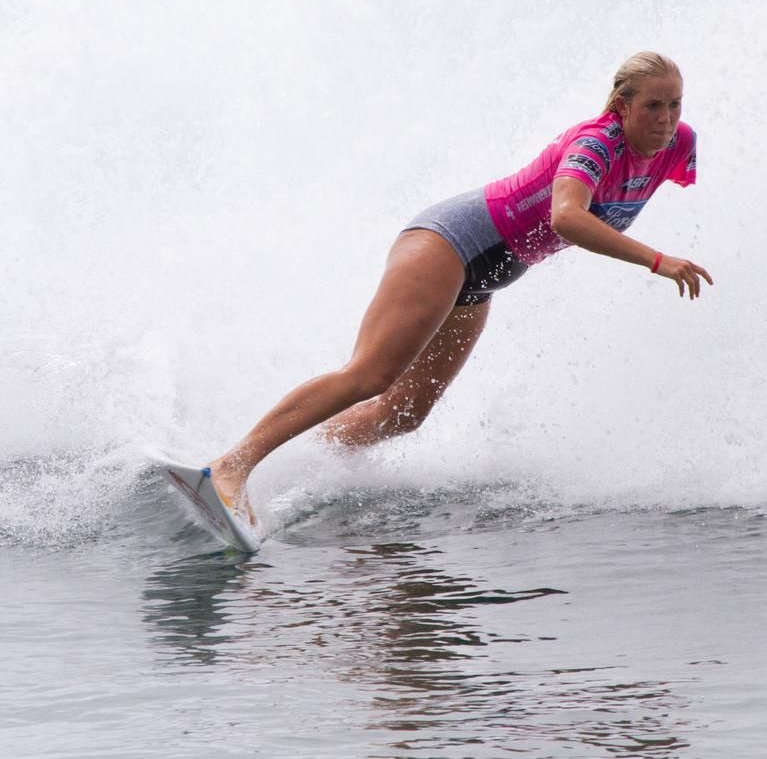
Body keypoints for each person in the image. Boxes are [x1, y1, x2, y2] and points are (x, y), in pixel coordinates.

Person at [209, 51, 713, 518]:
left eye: (674, 104)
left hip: (483, 278)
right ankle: (231, 466)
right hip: (449, 243)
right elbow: (566, 217)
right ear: (622, 107)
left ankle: (291, 467)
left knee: (404, 413)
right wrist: (657, 261)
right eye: (652, 106)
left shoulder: (678, 144)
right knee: (371, 375)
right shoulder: (596, 144)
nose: (666, 119)